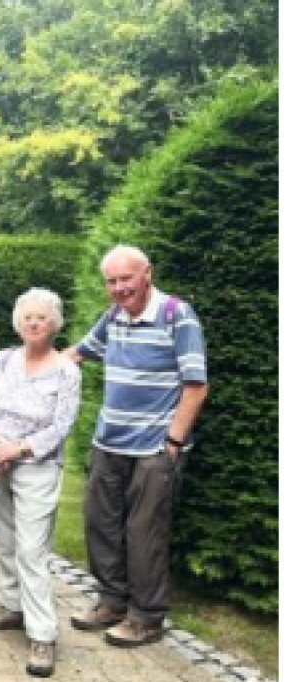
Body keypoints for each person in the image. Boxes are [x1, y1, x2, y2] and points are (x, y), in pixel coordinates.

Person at [68, 245, 208, 648]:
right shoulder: (112, 318)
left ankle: (146, 616)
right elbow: (76, 355)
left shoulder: (176, 315)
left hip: (153, 448)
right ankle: (111, 602)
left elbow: (196, 386)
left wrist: (173, 443)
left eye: (125, 279)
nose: (118, 288)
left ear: (147, 273)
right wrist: (23, 368)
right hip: (109, 441)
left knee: (144, 533)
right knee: (101, 524)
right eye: (111, 281)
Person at [0, 288, 81, 677]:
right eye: (27, 317)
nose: (34, 323)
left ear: (54, 324)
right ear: (18, 322)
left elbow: (61, 427)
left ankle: (42, 634)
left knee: (31, 549)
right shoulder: (3, 360)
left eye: (42, 318)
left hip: (35, 465)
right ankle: (12, 604)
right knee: (3, 538)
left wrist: (16, 449)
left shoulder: (67, 370)